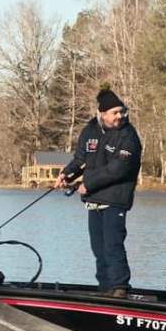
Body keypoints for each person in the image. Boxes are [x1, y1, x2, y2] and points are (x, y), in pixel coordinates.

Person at [55, 86, 142, 298]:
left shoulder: (128, 136)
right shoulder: (90, 131)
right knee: (99, 249)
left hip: (115, 199)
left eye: (122, 112)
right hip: (93, 200)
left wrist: (88, 183)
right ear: (102, 114)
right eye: (115, 113)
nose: (120, 116)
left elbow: (118, 169)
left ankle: (120, 288)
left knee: (113, 245)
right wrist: (66, 175)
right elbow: (80, 159)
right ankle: (105, 290)